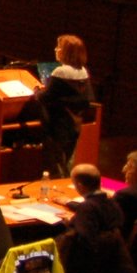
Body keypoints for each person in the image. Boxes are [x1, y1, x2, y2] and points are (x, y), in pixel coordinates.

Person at [35, 34, 91, 178]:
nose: (56, 49)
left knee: (56, 163)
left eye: (59, 47)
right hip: (74, 123)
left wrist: (36, 91)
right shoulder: (83, 72)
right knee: (68, 161)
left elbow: (44, 98)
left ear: (66, 52)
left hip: (58, 124)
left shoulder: (61, 72)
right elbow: (85, 99)